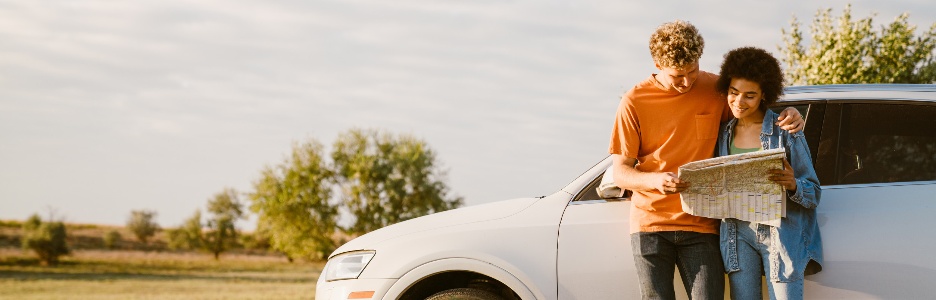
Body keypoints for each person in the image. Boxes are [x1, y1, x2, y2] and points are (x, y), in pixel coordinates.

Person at [608, 20, 804, 300]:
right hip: (651, 224)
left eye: (693, 70)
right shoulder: (633, 102)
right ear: (657, 63)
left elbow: (752, 113)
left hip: (703, 222)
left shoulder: (715, 88)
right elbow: (621, 173)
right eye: (678, 76)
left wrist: (791, 112)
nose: (687, 81)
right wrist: (655, 180)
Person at [714, 46, 823, 300]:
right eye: (733, 92)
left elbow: (814, 192)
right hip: (736, 234)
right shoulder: (723, 134)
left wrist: (793, 184)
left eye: (749, 96)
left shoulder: (785, 129)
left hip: (780, 235)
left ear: (764, 94)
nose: (739, 102)